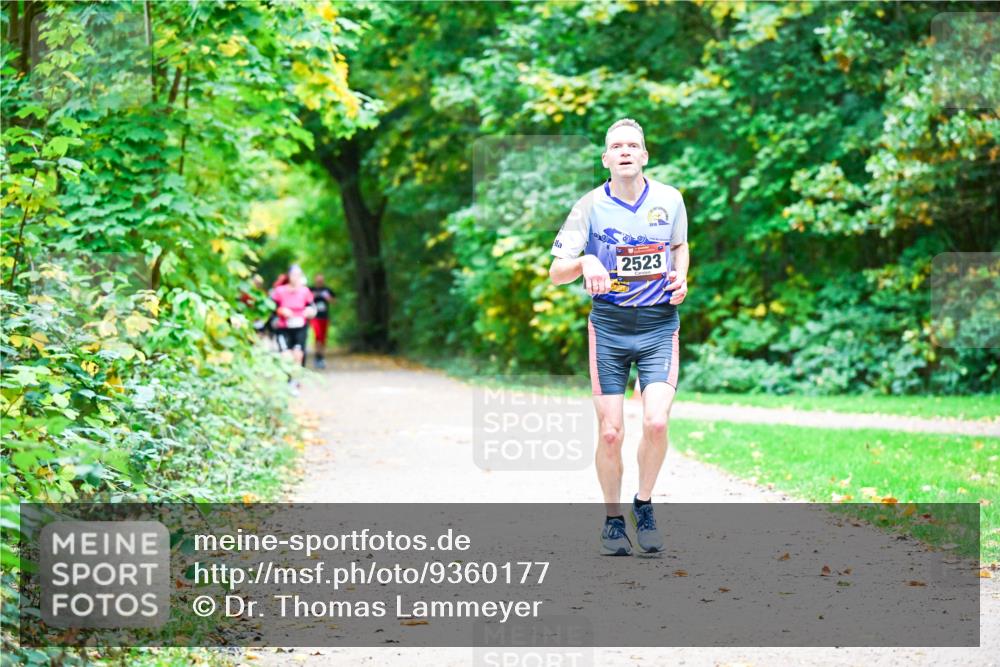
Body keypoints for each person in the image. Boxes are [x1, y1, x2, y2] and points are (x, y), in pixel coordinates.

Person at [549, 118, 689, 556]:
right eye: (617, 146)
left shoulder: (670, 199)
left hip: (658, 325)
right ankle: (613, 522)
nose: (625, 151)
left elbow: (679, 246)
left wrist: (682, 277)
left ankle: (643, 505)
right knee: (610, 432)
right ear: (606, 158)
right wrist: (585, 261)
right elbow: (556, 272)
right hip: (609, 328)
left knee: (656, 421)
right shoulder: (588, 206)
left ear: (644, 155)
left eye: (633, 145)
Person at [269, 265, 316, 375]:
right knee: (286, 356)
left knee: (298, 354)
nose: (296, 277)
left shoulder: (305, 291)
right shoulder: (279, 291)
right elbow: (270, 308)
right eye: (294, 275)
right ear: (289, 276)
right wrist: (281, 310)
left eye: (298, 275)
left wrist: (309, 312)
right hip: (283, 328)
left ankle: (295, 380)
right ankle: (288, 379)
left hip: (300, 327)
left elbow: (312, 308)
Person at [309, 274, 335, 369]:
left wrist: (328, 298)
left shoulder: (327, 290)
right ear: (315, 280)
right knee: (318, 336)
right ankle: (317, 356)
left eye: (321, 280)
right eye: (318, 280)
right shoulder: (311, 289)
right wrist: (313, 296)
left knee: (323, 338)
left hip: (324, 317)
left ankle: (321, 357)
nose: (319, 281)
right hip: (314, 317)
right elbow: (306, 300)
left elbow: (334, 301)